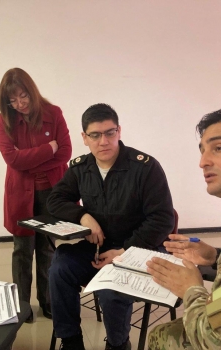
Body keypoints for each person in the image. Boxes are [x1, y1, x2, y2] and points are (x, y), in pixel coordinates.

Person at [47, 103, 174, 350]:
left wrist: (125, 251)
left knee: (110, 289)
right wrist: (83, 216)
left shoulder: (145, 167)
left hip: (138, 251)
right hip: (97, 248)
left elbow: (162, 218)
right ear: (84, 138)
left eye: (110, 133)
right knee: (60, 266)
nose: (103, 141)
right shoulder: (81, 168)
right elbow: (55, 200)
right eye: (95, 135)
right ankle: (71, 340)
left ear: (119, 131)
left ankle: (118, 344)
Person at [0, 68, 72, 322]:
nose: (20, 104)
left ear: (32, 90)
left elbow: (65, 153)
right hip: (21, 194)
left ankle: (48, 302)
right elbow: (12, 159)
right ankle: (22, 306)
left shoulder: (54, 113)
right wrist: (47, 149)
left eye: (23, 96)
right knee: (22, 250)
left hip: (51, 192)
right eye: (13, 100)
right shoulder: (3, 121)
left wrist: (28, 159)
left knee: (48, 248)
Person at [147, 109, 221, 350]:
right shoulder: (80, 170)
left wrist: (192, 289)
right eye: (202, 151)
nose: (203, 162)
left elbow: (211, 339)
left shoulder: (145, 168)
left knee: (162, 336)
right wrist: (214, 256)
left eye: (218, 148)